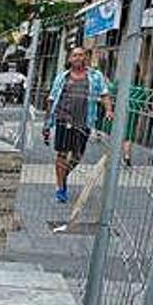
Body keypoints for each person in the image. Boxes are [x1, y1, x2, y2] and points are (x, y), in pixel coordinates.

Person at [44, 46, 114, 203]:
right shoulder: (62, 77)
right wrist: (47, 124)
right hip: (63, 120)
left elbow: (104, 94)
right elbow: (52, 99)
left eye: (81, 55)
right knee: (62, 154)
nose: (78, 58)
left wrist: (109, 110)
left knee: (77, 156)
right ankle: (61, 188)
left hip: (84, 122)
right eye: (75, 55)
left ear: (86, 58)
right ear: (70, 59)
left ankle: (63, 176)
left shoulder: (95, 76)